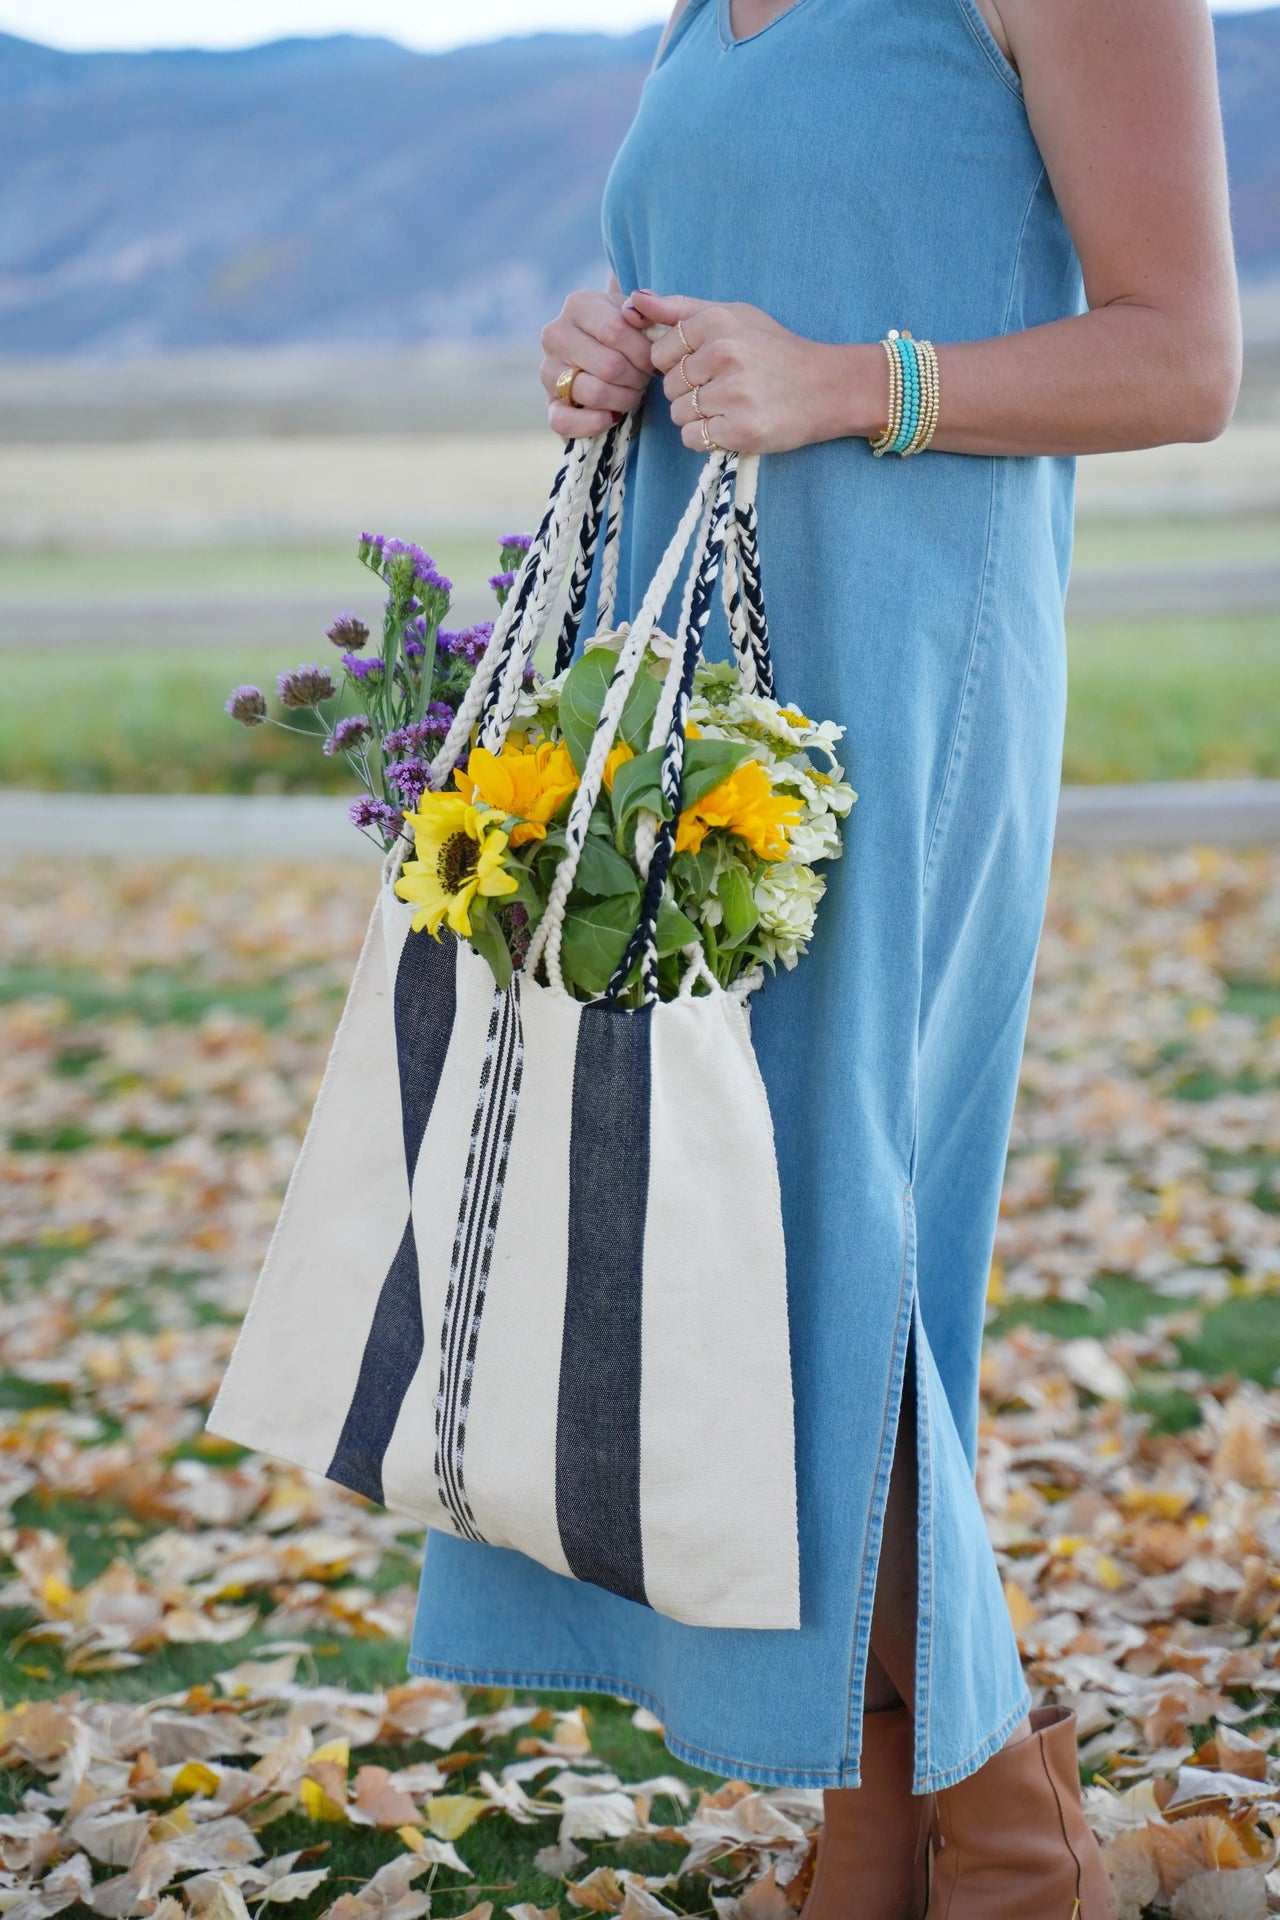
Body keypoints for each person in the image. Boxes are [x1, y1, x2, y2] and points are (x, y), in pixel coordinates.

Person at [408, 2, 1241, 1914]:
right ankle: (906, 1824)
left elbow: (1185, 360)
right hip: (682, 678)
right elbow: (736, 294)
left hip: (902, 675)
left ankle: (1004, 1840)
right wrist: (605, 344)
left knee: (822, 1237)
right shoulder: (706, 10)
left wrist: (843, 382)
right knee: (728, 1234)